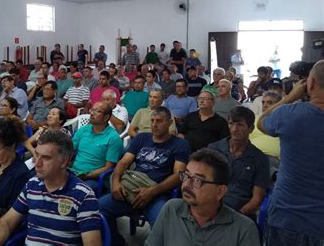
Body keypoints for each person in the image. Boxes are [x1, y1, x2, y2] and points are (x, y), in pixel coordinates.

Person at [0, 130, 102, 245]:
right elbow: (6, 223)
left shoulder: (83, 195)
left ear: (64, 162)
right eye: (37, 155)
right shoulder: (32, 185)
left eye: (46, 158)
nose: (37, 163)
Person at [100, 107, 190, 246]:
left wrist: (152, 191)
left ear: (170, 123)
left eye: (159, 121)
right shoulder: (142, 138)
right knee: (97, 209)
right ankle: (117, 243)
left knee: (163, 227)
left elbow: (179, 175)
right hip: (130, 190)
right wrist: (116, 183)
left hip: (157, 194)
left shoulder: (180, 144)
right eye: (152, 120)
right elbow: (123, 163)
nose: (154, 124)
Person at [257, 60, 324, 244]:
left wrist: (290, 97)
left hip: (287, 217)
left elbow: (262, 122)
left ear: (310, 84)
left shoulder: (289, 113)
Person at [146, 148, 260, 246]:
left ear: (220, 191)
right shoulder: (171, 209)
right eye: (186, 175)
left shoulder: (244, 229)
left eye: (197, 180)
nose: (186, 184)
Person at [208, 106, 269, 216]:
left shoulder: (260, 159)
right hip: (210, 208)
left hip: (240, 214)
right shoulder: (213, 150)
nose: (234, 129)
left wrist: (236, 217)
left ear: (250, 128)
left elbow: (257, 199)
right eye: (231, 123)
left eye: (240, 125)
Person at [71, 102, 123, 190]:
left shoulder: (113, 138)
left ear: (106, 117)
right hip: (73, 171)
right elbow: (69, 150)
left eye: (97, 111)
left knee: (78, 190)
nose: (92, 113)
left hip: (92, 178)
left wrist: (87, 176)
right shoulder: (83, 130)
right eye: (92, 110)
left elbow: (109, 167)